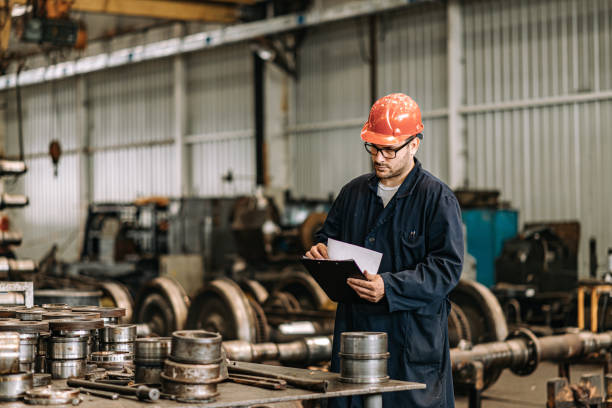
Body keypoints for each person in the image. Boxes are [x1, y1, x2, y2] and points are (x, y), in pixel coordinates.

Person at [305, 93, 463, 408]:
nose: (379, 158)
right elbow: (328, 236)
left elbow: (446, 268)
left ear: (414, 144)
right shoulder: (352, 193)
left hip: (410, 342)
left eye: (389, 149)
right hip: (355, 336)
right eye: (373, 148)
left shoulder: (436, 199)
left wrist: (388, 287)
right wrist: (321, 250)